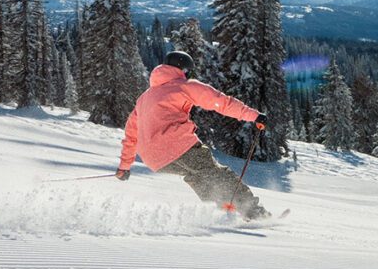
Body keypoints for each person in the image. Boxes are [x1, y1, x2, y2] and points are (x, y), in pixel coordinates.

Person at [114, 50, 271, 220]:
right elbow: (221, 102)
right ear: (183, 69)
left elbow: (131, 134)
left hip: (154, 159)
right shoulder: (184, 86)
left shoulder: (144, 98)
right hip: (177, 145)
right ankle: (253, 211)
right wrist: (254, 116)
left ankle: (224, 211)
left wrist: (124, 166)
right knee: (217, 173)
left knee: (197, 176)